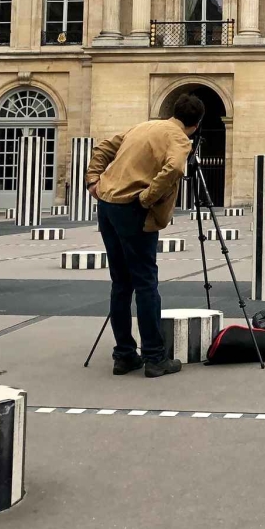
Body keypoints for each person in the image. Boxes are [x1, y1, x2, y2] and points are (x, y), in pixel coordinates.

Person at [86, 93, 205, 377]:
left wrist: (93, 179)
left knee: (120, 282)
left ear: (174, 112)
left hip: (107, 205)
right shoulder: (179, 139)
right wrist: (148, 198)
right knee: (146, 283)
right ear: (196, 123)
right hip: (132, 209)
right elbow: (175, 167)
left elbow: (104, 146)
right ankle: (154, 357)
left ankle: (124, 354)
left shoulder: (143, 126)